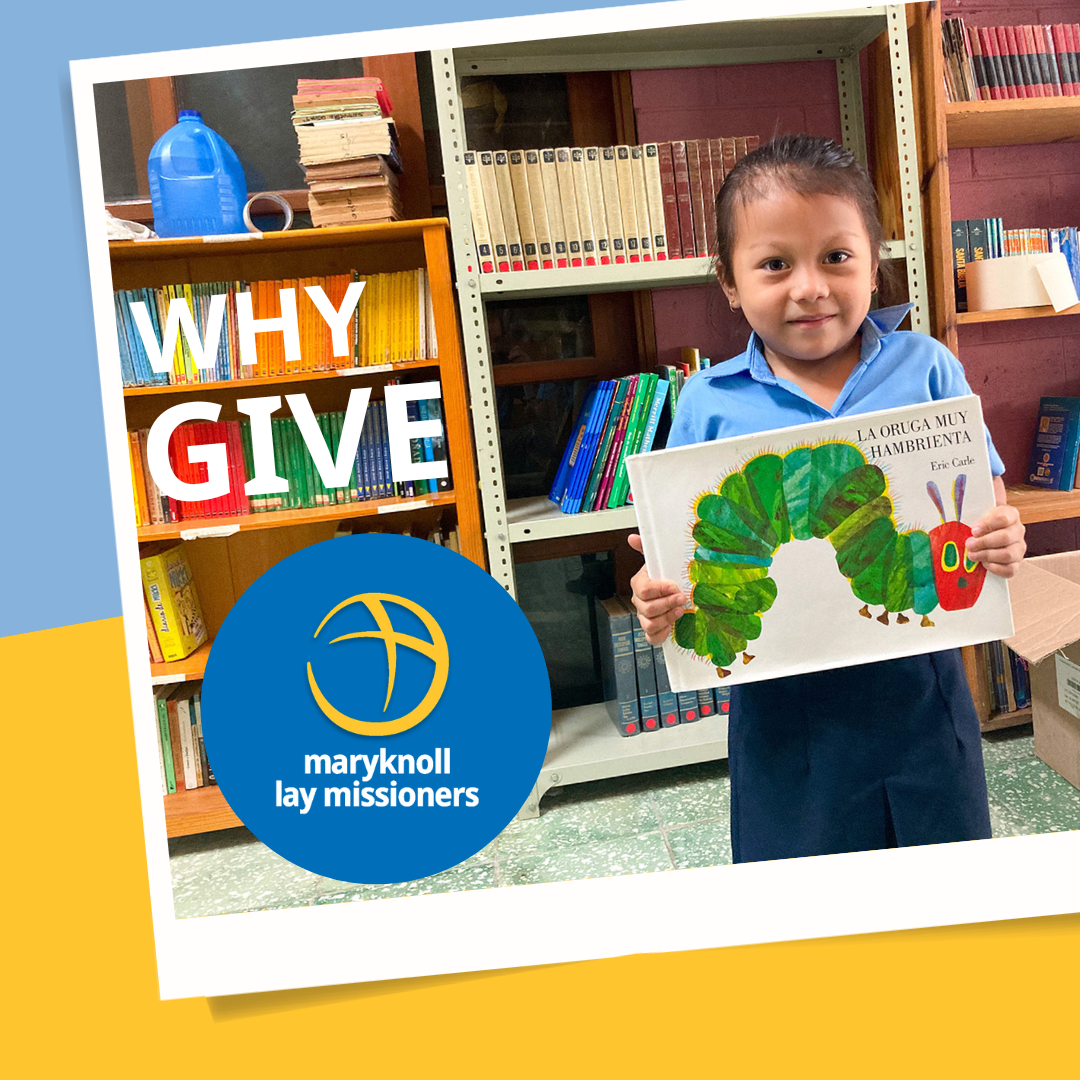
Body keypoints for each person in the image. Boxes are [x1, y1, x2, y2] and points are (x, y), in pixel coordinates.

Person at [628, 134, 1026, 863]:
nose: (809, 286)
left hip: (920, 693)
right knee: (803, 905)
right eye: (775, 264)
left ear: (875, 263)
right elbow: (681, 562)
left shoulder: (928, 366)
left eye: (836, 257)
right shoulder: (706, 403)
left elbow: (984, 504)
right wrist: (657, 599)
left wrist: (1003, 538)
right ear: (729, 282)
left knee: (945, 889)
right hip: (782, 716)